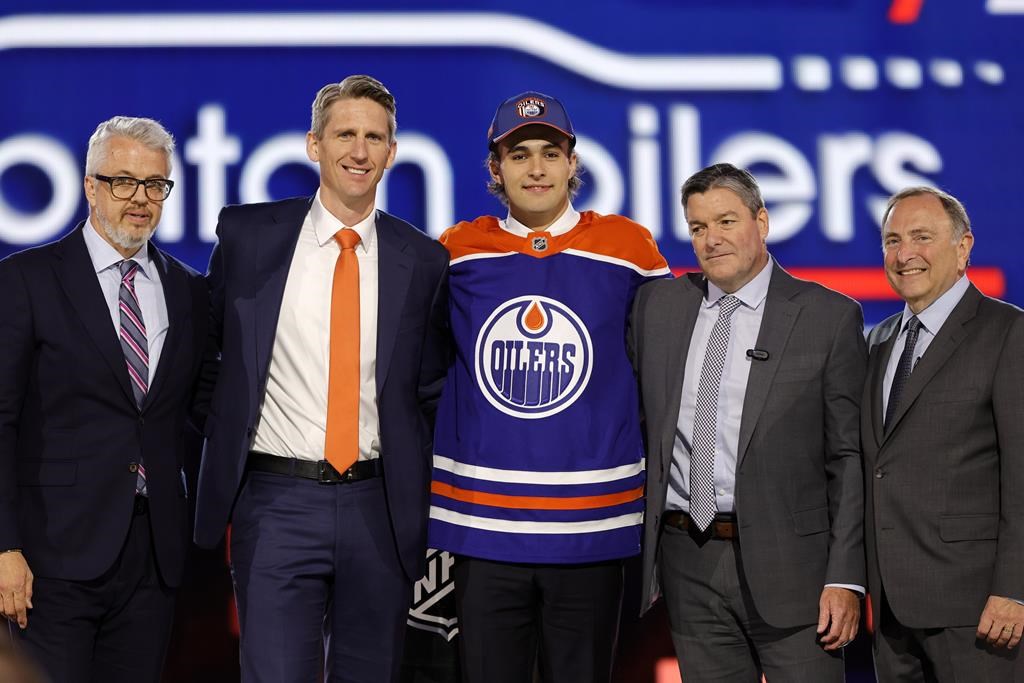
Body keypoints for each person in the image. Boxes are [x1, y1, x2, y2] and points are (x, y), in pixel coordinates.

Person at [193, 75, 449, 683]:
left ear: (392, 151)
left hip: (379, 507)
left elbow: (429, 391)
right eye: (344, 135)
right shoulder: (247, 237)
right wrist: (225, 436)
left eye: (374, 138)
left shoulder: (423, 260)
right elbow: (206, 360)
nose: (359, 151)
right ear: (314, 144)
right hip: (275, 501)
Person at [427, 91, 669, 683]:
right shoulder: (457, 251)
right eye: (519, 155)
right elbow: (420, 363)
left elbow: (668, 367)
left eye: (549, 153)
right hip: (485, 528)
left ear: (572, 163)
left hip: (591, 529)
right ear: (495, 169)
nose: (535, 168)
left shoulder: (629, 249)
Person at [630, 162, 867, 682]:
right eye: (698, 227)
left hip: (797, 570)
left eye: (726, 221)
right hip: (687, 559)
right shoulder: (659, 307)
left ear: (762, 221)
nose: (711, 239)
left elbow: (849, 460)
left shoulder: (828, 317)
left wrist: (846, 578)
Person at [0, 116, 208, 682]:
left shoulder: (189, 290)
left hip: (153, 558)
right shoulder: (26, 280)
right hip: (50, 557)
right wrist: (4, 547)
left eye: (154, 185)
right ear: (90, 186)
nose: (140, 199)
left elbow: (202, 407)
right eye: (123, 182)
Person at [863, 186, 1023, 681]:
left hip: (977, 608)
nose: (904, 254)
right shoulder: (878, 340)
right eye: (892, 240)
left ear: (963, 247)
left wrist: (1014, 590)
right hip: (890, 609)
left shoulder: (1008, 332)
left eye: (921, 237)